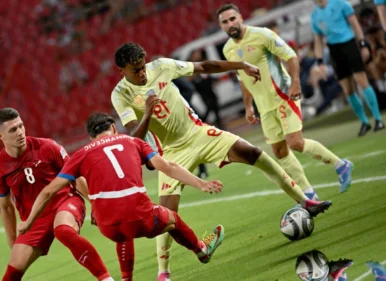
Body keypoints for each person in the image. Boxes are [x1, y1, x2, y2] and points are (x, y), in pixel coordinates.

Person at [110, 42, 332, 281]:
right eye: (136, 70)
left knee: (254, 153)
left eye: (143, 67)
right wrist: (147, 113)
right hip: (171, 153)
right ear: (121, 70)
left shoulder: (162, 66)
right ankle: (163, 274)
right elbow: (135, 137)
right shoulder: (120, 95)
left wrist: (241, 65)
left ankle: (305, 201)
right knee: (166, 215)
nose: (142, 73)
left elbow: (204, 66)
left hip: (199, 134)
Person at [17, 113, 225, 281]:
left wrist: (28, 222)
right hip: (140, 218)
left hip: (108, 226)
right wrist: (201, 183)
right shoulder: (132, 141)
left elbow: (48, 191)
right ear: (114, 128)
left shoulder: (81, 154)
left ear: (91, 138)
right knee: (172, 218)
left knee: (122, 233)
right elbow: (168, 167)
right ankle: (202, 250)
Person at [217, 3, 352, 201]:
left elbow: (291, 56)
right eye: (225, 22)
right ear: (221, 26)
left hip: (283, 96)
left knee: (295, 143)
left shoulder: (262, 34)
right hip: (264, 106)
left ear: (240, 18)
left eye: (232, 19)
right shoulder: (228, 49)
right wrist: (248, 106)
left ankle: (340, 165)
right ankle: (309, 194)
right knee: (280, 151)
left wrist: (295, 83)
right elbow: (242, 78)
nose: (230, 24)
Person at [0, 108, 113, 281]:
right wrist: (13, 242)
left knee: (63, 230)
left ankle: (106, 279)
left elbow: (76, 177)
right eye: (13, 130)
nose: (20, 132)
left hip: (65, 201)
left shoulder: (47, 146)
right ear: (1, 136)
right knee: (10, 275)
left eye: (21, 126)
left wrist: (95, 205)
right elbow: (6, 207)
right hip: (34, 218)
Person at [311, 0, 384, 136]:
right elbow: (318, 40)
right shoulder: (315, 15)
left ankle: (378, 119)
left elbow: (355, 24)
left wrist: (363, 44)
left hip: (349, 44)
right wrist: (319, 61)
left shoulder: (341, 4)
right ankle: (364, 122)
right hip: (334, 50)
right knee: (348, 89)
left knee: (361, 81)